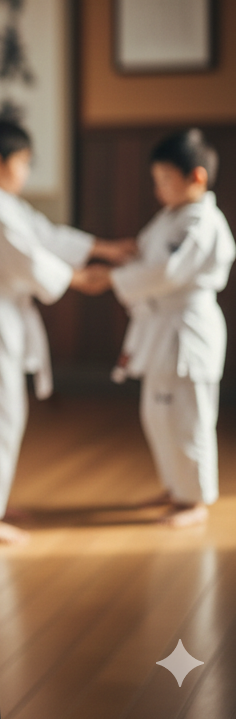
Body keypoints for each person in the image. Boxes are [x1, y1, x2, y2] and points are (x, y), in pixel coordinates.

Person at [0, 119, 135, 544]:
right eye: (23, 162)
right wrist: (74, 279)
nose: (27, 171)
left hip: (0, 319)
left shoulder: (1, 200)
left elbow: (44, 235)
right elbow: (26, 256)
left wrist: (102, 248)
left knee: (0, 416)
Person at [110, 128, 234, 528]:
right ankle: (175, 486)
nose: (158, 189)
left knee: (189, 417)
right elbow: (147, 253)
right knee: (158, 416)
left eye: (165, 180)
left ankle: (195, 499)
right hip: (161, 327)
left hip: (188, 328)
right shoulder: (172, 215)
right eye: (156, 181)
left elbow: (165, 270)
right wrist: (123, 256)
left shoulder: (203, 223)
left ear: (196, 177)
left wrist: (115, 278)